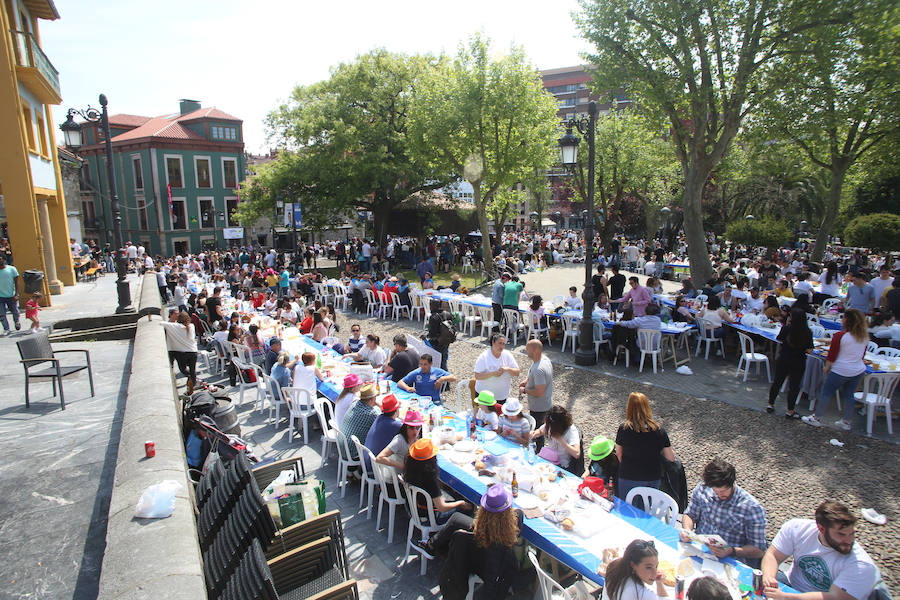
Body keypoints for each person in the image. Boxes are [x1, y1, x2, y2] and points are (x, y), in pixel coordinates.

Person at [761, 501, 878, 600]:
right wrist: (769, 577)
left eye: (852, 533)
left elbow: (834, 597)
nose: (849, 540)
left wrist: (786, 597)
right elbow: (773, 555)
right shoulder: (797, 529)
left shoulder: (862, 565)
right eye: (841, 534)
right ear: (821, 529)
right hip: (790, 584)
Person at [436, 486, 522, 600]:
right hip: (494, 573)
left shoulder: (470, 533)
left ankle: (430, 545)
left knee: (457, 519)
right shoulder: (512, 528)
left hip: (474, 563)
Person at [680, 458, 767, 568]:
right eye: (715, 491)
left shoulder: (751, 508)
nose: (719, 495)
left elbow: (758, 550)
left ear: (732, 484)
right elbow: (690, 515)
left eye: (723, 491)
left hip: (730, 561)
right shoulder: (703, 489)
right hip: (700, 551)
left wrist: (731, 550)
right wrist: (687, 531)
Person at [803, 309, 868, 430]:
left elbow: (832, 355)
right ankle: (846, 421)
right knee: (849, 395)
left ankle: (817, 418)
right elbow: (862, 355)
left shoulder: (840, 336)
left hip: (841, 370)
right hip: (858, 370)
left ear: (847, 321)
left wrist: (827, 367)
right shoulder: (863, 337)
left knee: (826, 393)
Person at [615, 392, 675, 500]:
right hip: (652, 476)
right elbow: (670, 458)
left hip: (629, 476)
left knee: (628, 510)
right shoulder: (659, 430)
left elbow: (619, 454)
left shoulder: (624, 429)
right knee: (647, 509)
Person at [403, 439, 472, 524]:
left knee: (454, 494)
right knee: (468, 507)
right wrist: (460, 503)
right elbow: (442, 508)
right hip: (429, 517)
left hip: (412, 509)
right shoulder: (429, 477)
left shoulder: (410, 467)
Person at [768, 307, 814, 419]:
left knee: (777, 382)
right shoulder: (807, 332)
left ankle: (770, 404)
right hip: (799, 360)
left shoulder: (787, 329)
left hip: (784, 357)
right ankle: (790, 410)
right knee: (794, 386)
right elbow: (810, 350)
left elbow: (779, 339)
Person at [600, 539, 668, 600]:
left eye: (656, 566)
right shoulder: (642, 593)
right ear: (633, 565)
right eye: (648, 567)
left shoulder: (614, 566)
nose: (655, 573)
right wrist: (660, 584)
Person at [518, 339, 553, 450]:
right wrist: (527, 380)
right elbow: (533, 376)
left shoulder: (539, 370)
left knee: (538, 432)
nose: (526, 351)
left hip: (539, 407)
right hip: (545, 403)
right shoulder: (544, 360)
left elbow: (539, 392)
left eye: (527, 349)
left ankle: (539, 451)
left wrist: (524, 390)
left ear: (535, 350)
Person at [531, 405, 581, 474]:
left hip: (562, 465)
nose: (550, 428)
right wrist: (535, 433)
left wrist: (560, 440)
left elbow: (577, 453)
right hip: (548, 458)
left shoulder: (571, 430)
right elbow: (540, 431)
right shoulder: (550, 424)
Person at [473, 333, 520, 405]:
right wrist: (492, 374)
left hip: (501, 396)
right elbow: (477, 376)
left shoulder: (507, 355)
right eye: (500, 343)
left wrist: (507, 369)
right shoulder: (484, 357)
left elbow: (517, 372)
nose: (502, 346)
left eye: (504, 344)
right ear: (493, 343)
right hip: (485, 396)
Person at [340, 384, 379, 462]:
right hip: (353, 452)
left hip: (342, 446)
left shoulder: (355, 404)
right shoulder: (371, 414)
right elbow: (379, 430)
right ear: (371, 400)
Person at [363, 393, 402, 472]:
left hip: (366, 461)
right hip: (376, 467)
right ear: (396, 410)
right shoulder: (395, 425)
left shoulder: (379, 417)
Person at [161, 311, 198, 392]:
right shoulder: (191, 326)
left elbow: (161, 323)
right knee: (192, 370)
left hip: (183, 353)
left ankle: (192, 382)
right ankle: (194, 384)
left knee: (183, 369)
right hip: (193, 351)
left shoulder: (174, 326)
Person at [425, 299, 454, 369]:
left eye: (430, 305)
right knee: (444, 360)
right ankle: (446, 376)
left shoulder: (433, 317)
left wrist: (425, 337)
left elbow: (432, 334)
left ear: (432, 306)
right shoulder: (448, 314)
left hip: (437, 343)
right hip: (447, 341)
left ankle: (444, 377)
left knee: (438, 362)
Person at [0, 256, 22, 335]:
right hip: (1, 297)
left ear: (4, 259)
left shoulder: (12, 269)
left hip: (11, 295)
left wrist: (16, 294)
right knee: (1, 313)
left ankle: (17, 322)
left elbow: (16, 282)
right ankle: (6, 329)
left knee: (15, 311)